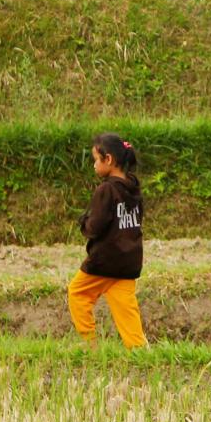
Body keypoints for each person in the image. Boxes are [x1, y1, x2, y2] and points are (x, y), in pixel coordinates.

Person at [67, 133, 147, 349]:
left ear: (109, 159)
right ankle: (138, 350)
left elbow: (95, 227)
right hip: (128, 262)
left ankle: (89, 345)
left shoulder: (106, 190)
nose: (94, 165)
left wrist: (84, 222)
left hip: (104, 262)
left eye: (96, 159)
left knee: (77, 293)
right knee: (127, 313)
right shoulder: (134, 189)